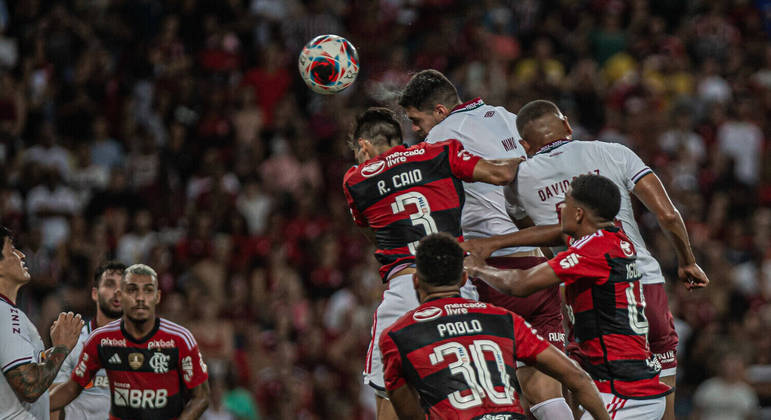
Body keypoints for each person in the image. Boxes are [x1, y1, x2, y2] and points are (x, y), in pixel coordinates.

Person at [469, 99, 709, 419]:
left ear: (524, 144)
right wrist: (686, 261)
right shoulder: (614, 152)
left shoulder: (520, 179)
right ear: (567, 125)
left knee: (588, 390)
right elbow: (667, 214)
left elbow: (547, 235)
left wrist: (488, 252)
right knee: (660, 399)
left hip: (589, 293)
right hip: (644, 284)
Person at [399, 69, 568, 418]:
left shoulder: (440, 138)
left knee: (486, 395)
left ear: (441, 112)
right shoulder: (508, 117)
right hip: (538, 262)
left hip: (490, 269)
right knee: (545, 387)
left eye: (417, 120)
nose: (415, 130)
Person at [342, 107, 522, 419]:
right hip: (459, 288)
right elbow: (501, 173)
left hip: (406, 290)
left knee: (388, 392)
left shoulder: (356, 180)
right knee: (476, 397)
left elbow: (374, 234)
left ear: (365, 146)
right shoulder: (441, 152)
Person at [380, 233, 610, 420]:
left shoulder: (397, 336)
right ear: (462, 279)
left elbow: (409, 414)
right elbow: (578, 378)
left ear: (416, 281)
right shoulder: (503, 320)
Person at [50, 264, 210, 419]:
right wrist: (32, 404)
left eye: (148, 290)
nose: (140, 298)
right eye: (132, 290)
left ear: (158, 297)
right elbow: (71, 389)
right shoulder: (100, 340)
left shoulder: (180, 339)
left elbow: (201, 397)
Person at [0, 226, 84, 420]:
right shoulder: (6, 313)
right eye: (12, 249)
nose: (21, 255)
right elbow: (29, 387)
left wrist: (51, 352)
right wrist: (62, 347)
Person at [50, 261, 126, 420]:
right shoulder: (73, 340)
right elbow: (51, 404)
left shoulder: (144, 344)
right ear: (94, 293)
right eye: (110, 284)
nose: (118, 291)